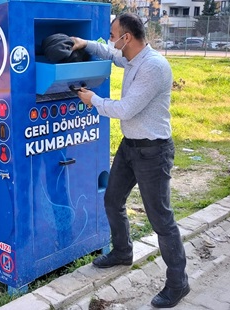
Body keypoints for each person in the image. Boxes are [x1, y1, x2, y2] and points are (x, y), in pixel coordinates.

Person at [71, 13, 189, 308]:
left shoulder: (154, 67)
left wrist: (93, 101)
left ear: (128, 38)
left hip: (153, 151)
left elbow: (126, 109)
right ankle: (123, 252)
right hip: (130, 147)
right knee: (112, 199)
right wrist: (85, 43)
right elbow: (113, 56)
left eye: (114, 35)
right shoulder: (133, 59)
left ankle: (178, 283)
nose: (111, 40)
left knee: (161, 220)